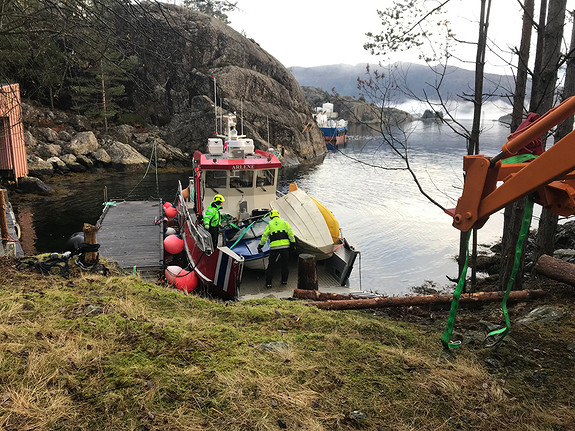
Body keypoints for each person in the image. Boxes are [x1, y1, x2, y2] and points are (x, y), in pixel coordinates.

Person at [257, 210, 295, 288]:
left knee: (271, 266)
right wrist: (292, 244)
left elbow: (264, 237)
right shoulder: (285, 223)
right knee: (285, 265)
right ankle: (284, 281)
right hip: (285, 247)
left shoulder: (269, 225)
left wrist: (260, 246)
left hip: (274, 248)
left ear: (271, 217)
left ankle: (269, 283)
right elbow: (291, 234)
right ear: (278, 215)